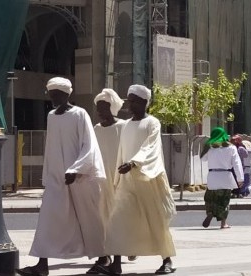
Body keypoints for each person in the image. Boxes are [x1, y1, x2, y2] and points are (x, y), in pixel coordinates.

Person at [15, 77, 107, 276]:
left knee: (89, 218)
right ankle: (42, 265)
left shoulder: (80, 114)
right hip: (58, 179)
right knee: (48, 218)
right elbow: (51, 148)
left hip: (80, 177)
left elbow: (88, 145)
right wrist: (49, 175)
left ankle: (102, 258)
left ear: (67, 94)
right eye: (51, 94)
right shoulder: (51, 116)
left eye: (57, 95)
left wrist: (76, 169)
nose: (53, 98)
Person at [102, 84, 177, 276]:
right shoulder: (126, 125)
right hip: (127, 182)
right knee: (117, 220)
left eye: (134, 101)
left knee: (156, 221)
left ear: (144, 102)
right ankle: (116, 263)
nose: (130, 104)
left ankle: (166, 260)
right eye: (129, 100)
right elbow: (121, 151)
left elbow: (150, 147)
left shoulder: (153, 123)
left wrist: (134, 163)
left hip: (148, 179)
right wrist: (119, 173)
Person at [88, 88, 137, 274]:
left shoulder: (123, 126)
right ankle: (105, 256)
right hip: (102, 181)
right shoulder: (96, 129)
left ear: (113, 108)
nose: (100, 112)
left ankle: (117, 260)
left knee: (117, 218)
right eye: (98, 108)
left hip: (121, 180)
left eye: (104, 107)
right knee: (103, 219)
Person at [200, 127, 244, 229]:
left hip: (213, 177)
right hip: (226, 176)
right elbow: (237, 163)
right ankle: (223, 223)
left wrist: (206, 146)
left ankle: (210, 212)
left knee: (210, 198)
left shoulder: (210, 147)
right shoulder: (231, 147)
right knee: (224, 200)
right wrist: (240, 179)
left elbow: (203, 159)